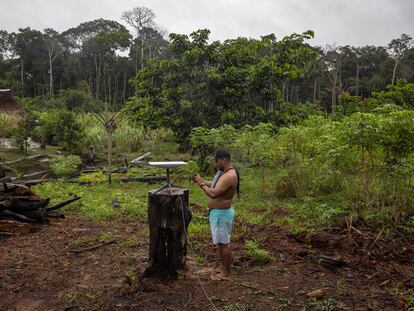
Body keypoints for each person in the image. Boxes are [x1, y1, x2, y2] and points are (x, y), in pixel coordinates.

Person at [193, 149, 239, 281]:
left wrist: (202, 184)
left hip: (222, 214)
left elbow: (213, 193)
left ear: (223, 160)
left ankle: (226, 274)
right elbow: (213, 185)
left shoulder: (229, 176)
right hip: (217, 213)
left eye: (217, 161)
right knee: (220, 243)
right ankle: (224, 269)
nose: (216, 163)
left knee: (224, 243)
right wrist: (201, 180)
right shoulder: (222, 173)